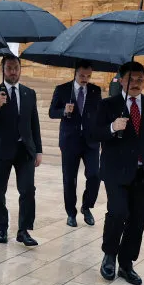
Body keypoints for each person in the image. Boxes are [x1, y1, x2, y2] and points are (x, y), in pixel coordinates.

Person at [95, 61, 144, 285]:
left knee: (138, 220)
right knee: (118, 213)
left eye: (140, 79)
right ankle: (109, 255)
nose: (136, 83)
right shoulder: (108, 105)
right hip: (115, 172)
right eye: (131, 78)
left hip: (143, 173)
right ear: (121, 80)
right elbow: (94, 133)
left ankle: (126, 263)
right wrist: (112, 127)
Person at [0, 54, 42, 247]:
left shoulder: (29, 93)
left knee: (28, 190)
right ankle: (2, 228)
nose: (13, 72)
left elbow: (34, 123)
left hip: (24, 150)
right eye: (9, 68)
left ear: (20, 69)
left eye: (16, 68)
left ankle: (23, 231)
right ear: (3, 70)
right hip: (1, 151)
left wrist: (38, 150)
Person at [48, 61, 102, 227]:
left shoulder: (95, 90)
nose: (85, 79)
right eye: (82, 76)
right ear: (75, 74)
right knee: (69, 179)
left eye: (88, 76)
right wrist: (64, 111)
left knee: (95, 175)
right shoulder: (62, 89)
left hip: (91, 141)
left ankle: (86, 207)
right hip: (70, 141)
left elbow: (99, 113)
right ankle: (71, 213)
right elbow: (51, 112)